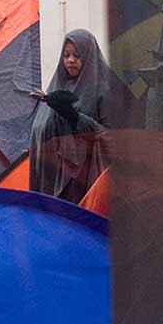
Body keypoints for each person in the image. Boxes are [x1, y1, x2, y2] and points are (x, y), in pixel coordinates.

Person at [29, 29, 120, 204]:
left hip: (85, 182)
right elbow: (40, 129)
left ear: (88, 57)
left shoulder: (104, 89)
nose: (70, 60)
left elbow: (111, 138)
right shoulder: (58, 85)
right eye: (66, 55)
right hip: (53, 177)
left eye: (77, 55)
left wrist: (74, 117)